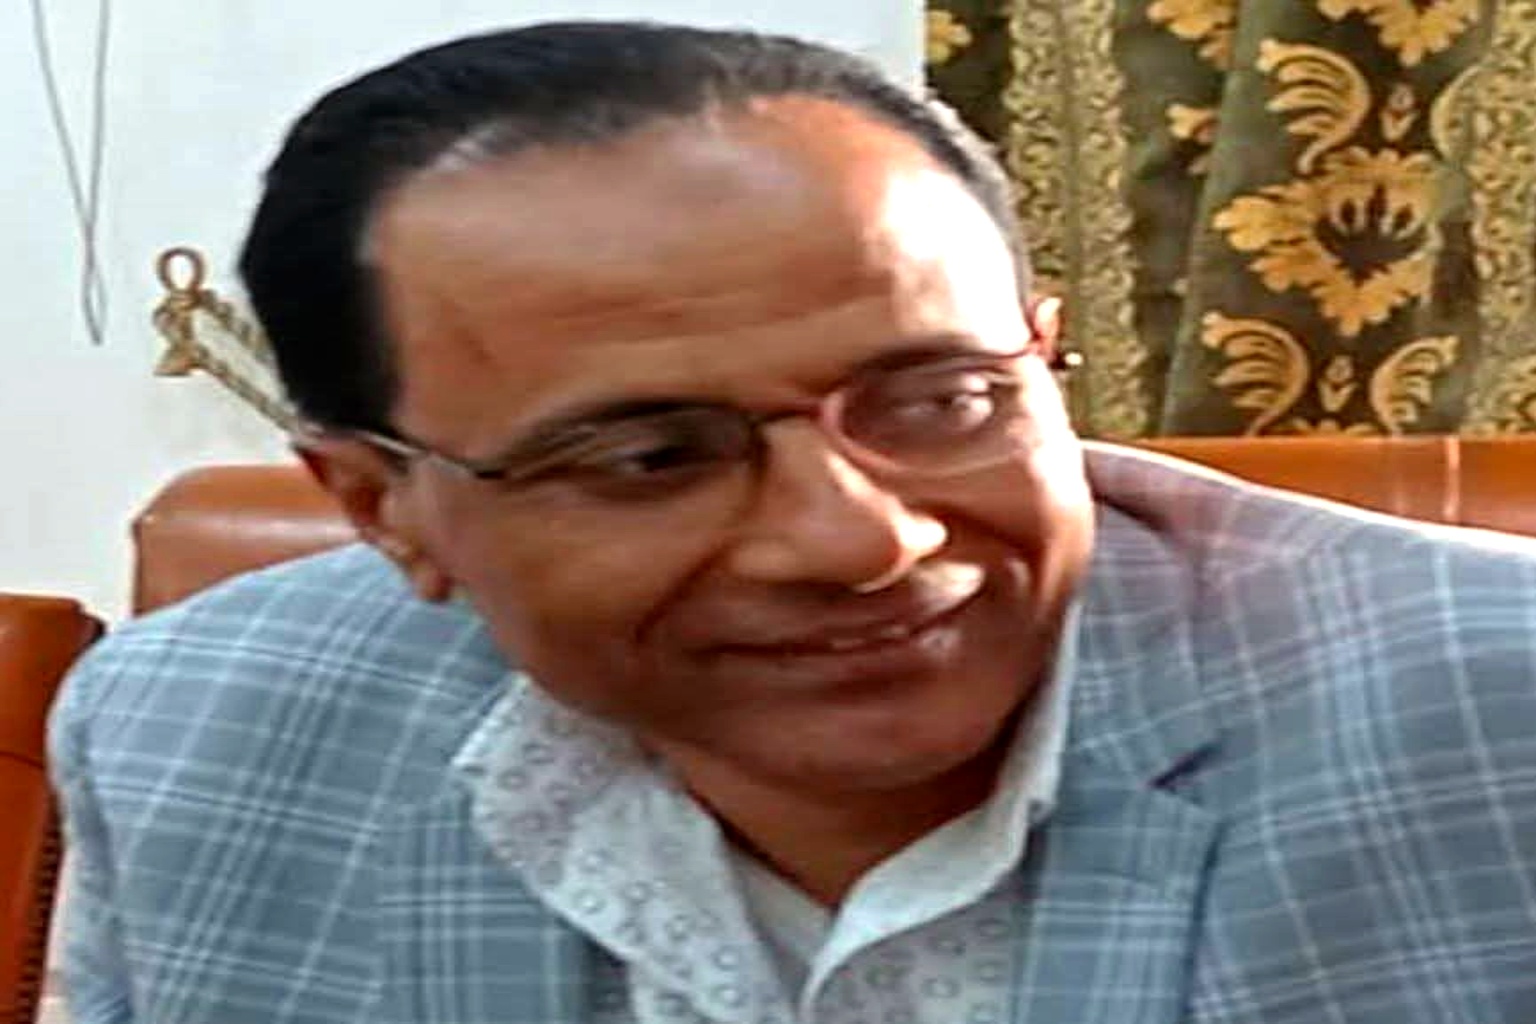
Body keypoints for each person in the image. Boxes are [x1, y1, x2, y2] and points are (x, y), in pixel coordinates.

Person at [50, 21, 1536, 1024]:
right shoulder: (190, 731)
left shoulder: (1497, 717)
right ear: (382, 506)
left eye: (940, 398)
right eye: (651, 457)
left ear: (1042, 351)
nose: (861, 542)